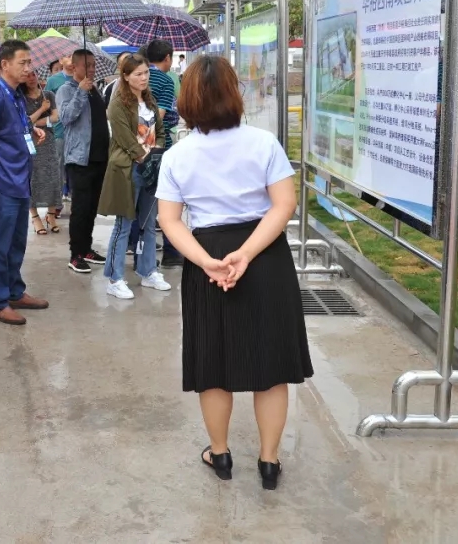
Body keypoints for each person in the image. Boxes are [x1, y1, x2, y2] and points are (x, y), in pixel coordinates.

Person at [155, 55, 312, 492]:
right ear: (234, 94)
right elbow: (284, 205)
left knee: (214, 362)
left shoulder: (177, 155)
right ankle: (268, 462)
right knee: (271, 364)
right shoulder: (264, 144)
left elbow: (170, 221)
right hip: (263, 255)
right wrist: (245, 253)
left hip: (207, 256)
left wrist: (206, 261)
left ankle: (220, 454)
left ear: (187, 100)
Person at [0, 40, 50, 325]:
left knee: (17, 242)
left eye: (30, 62)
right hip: (3, 182)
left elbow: (16, 127)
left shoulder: (15, 95)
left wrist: (31, 132)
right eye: (23, 63)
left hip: (20, 180)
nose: (28, 68)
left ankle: (15, 291)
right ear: (4, 64)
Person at [98, 54, 171, 299]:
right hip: (129, 170)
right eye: (138, 74)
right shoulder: (118, 103)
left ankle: (148, 270)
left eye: (146, 73)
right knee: (124, 224)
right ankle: (115, 277)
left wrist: (157, 151)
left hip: (151, 166)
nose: (143, 78)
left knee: (149, 223)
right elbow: (124, 138)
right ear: (126, 76)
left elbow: (159, 130)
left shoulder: (150, 100)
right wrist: (143, 156)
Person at [55, 49, 109, 274]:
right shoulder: (66, 90)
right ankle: (75, 254)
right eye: (86, 66)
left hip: (99, 156)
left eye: (93, 65)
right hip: (79, 158)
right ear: (74, 67)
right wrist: (80, 91)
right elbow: (66, 117)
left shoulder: (95, 89)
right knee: (80, 208)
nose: (91, 70)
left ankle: (87, 248)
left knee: (92, 208)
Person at [146, 39, 184, 269]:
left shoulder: (131, 77)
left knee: (141, 202)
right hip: (160, 147)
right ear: (168, 58)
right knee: (168, 198)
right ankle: (171, 251)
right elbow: (160, 119)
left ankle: (139, 251)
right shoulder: (166, 80)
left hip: (134, 148)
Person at [20, 69, 60, 234]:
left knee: (52, 176)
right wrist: (42, 110)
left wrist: (37, 121)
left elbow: (56, 118)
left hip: (49, 141)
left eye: (33, 74)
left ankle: (51, 215)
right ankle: (35, 217)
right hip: (31, 142)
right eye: (27, 75)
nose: (31, 78)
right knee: (33, 178)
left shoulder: (48, 94)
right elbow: (25, 121)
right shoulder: (20, 97)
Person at [43, 56, 73, 212]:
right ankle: (56, 203)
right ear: (61, 60)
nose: (71, 59)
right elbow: (46, 104)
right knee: (58, 165)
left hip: (76, 131)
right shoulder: (53, 81)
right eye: (68, 56)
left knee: (75, 165)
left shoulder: (81, 80)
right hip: (59, 130)